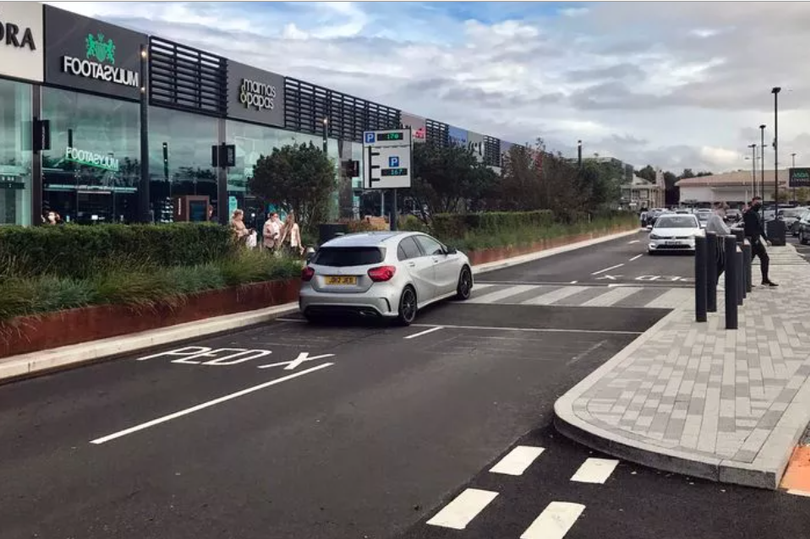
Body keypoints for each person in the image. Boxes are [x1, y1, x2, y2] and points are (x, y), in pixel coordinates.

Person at [743, 196, 778, 287]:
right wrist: (756, 240)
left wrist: (766, 239)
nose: (759, 205)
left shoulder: (756, 214)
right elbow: (750, 229)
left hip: (755, 240)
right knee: (764, 258)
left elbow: (760, 228)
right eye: (757, 203)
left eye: (760, 203)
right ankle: (759, 280)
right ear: (752, 203)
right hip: (752, 240)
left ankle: (748, 281)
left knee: (749, 260)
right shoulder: (750, 213)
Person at [706, 202, 731, 278]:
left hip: (712, 241)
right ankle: (714, 279)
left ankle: (713, 279)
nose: (725, 214)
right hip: (717, 241)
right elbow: (724, 231)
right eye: (725, 211)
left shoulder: (713, 216)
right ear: (722, 210)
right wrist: (729, 229)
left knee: (718, 263)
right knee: (721, 262)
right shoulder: (717, 217)